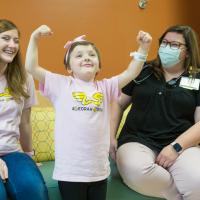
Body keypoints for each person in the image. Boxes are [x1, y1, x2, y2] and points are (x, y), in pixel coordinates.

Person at [25, 24, 152, 200]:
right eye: (79, 55)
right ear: (69, 68)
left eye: (92, 55)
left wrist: (143, 48)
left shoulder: (106, 87)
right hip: (70, 172)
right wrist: (34, 38)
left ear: (99, 66)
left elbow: (132, 72)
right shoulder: (61, 85)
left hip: (98, 170)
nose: (86, 58)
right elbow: (31, 67)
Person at [110, 25, 200, 200]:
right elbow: (117, 104)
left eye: (174, 45)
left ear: (188, 52)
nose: (167, 47)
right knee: (137, 169)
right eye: (164, 43)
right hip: (136, 140)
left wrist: (176, 147)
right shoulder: (142, 70)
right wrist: (110, 135)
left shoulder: (196, 78)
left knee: (197, 180)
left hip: (180, 144)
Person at [0, 19, 49, 200]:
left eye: (16, 40)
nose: (12, 45)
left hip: (12, 152)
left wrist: (29, 156)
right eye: (6, 38)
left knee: (33, 190)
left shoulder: (23, 78)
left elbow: (25, 122)